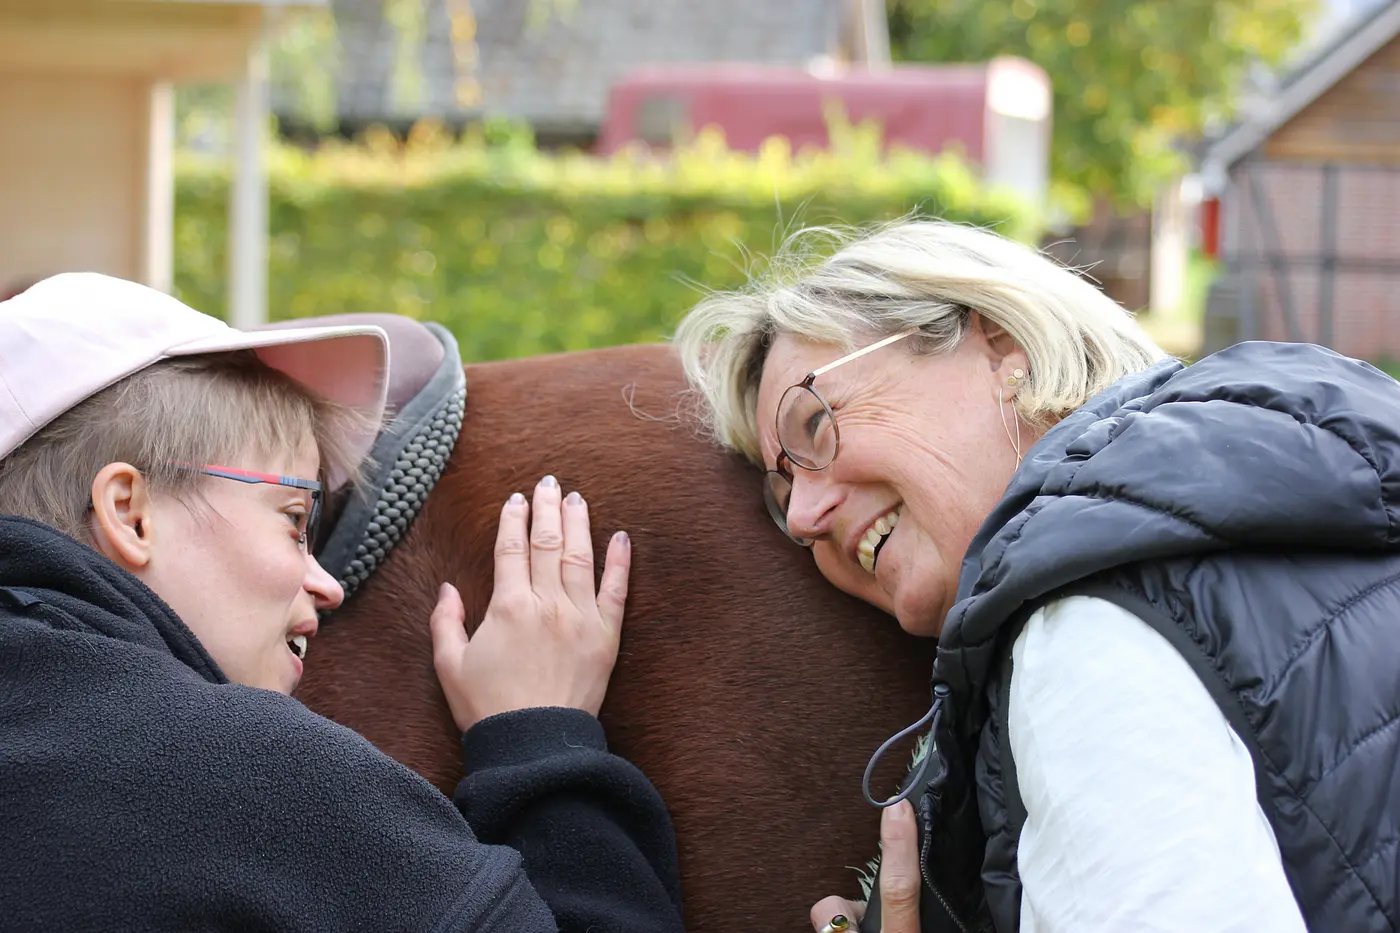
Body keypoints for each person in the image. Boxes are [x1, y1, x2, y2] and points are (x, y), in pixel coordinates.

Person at [675, 219, 1400, 933]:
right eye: (780, 496)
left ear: (1003, 346)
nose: (803, 516)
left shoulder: (1082, 630)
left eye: (812, 423)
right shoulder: (1289, 514)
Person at [0, 273, 684, 933]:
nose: (325, 584)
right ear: (131, 512)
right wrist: (544, 735)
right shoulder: (251, 775)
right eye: (295, 518)